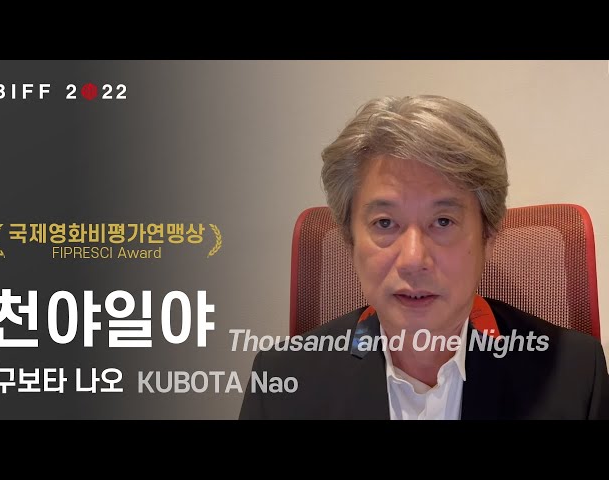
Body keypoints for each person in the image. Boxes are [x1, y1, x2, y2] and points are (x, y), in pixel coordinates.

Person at [239, 95, 609, 419]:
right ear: (350, 241)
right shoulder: (281, 384)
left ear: (489, 236)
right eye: (385, 223)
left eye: (443, 221)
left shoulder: (575, 377)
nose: (413, 259)